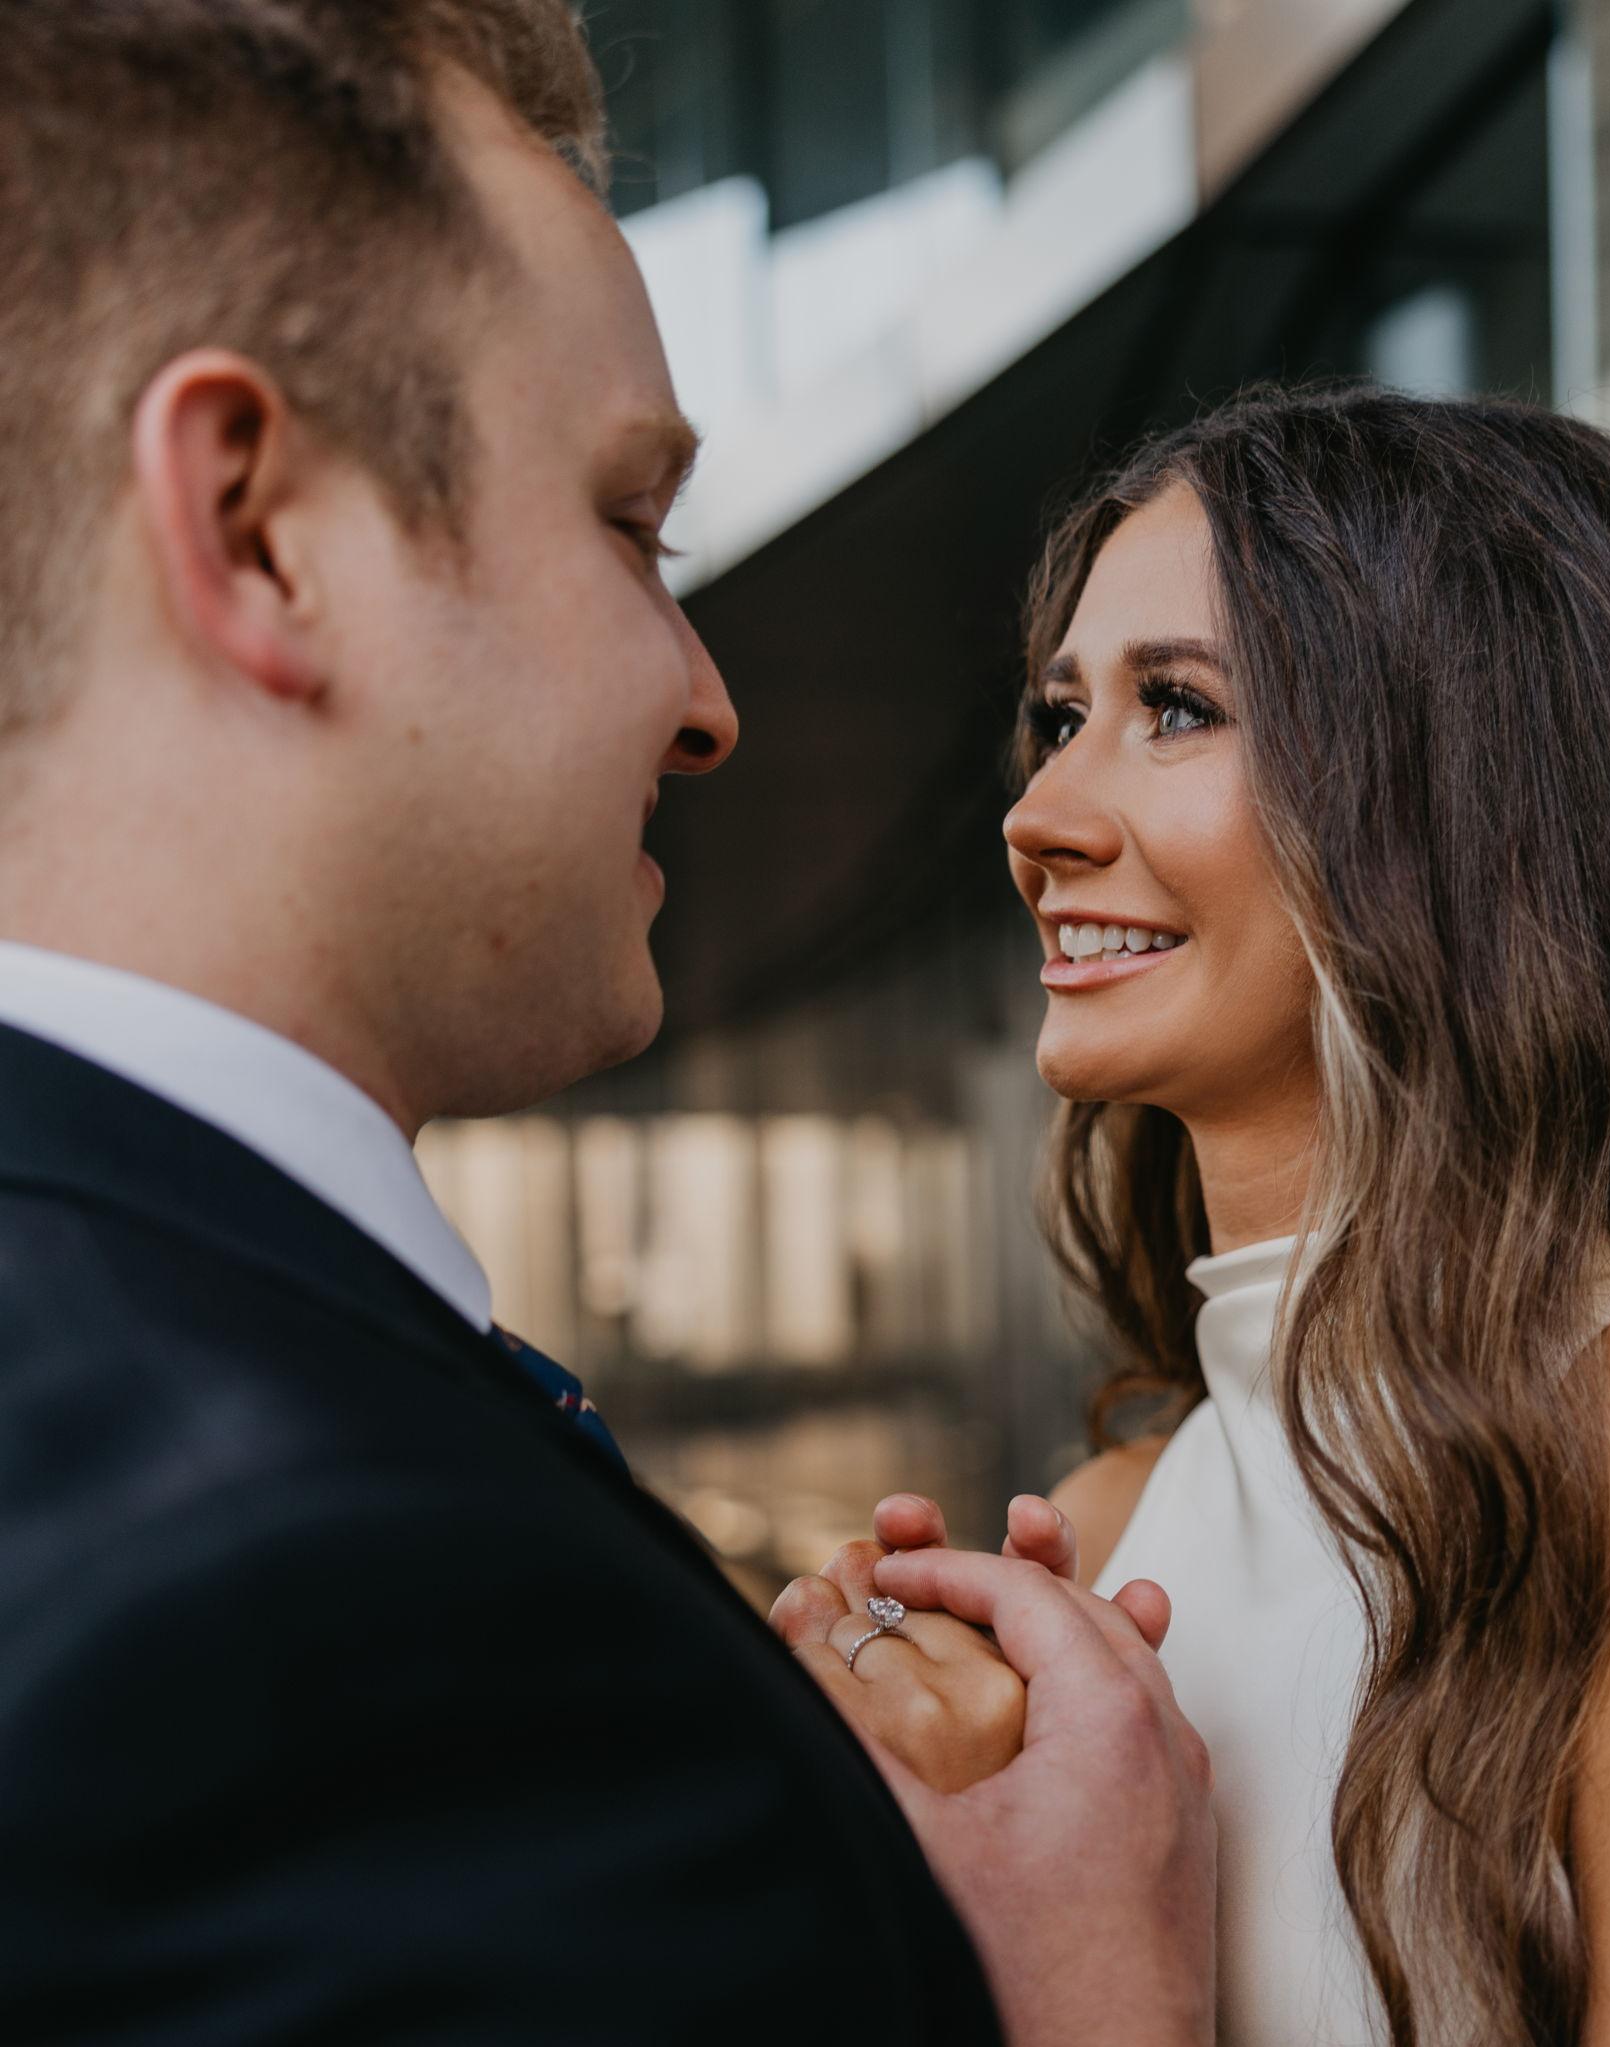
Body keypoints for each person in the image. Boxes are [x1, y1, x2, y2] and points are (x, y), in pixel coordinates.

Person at [0, 6, 1217, 2042]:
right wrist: (1082, 1999)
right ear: (253, 524)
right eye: (629, 524)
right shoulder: (372, 1629)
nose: (706, 693)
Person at [779, 386, 1610, 2046]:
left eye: (1176, 709)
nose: (1039, 821)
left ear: (1471, 805)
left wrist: (1085, 1985)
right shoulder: (1096, 1540)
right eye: (1059, 714)